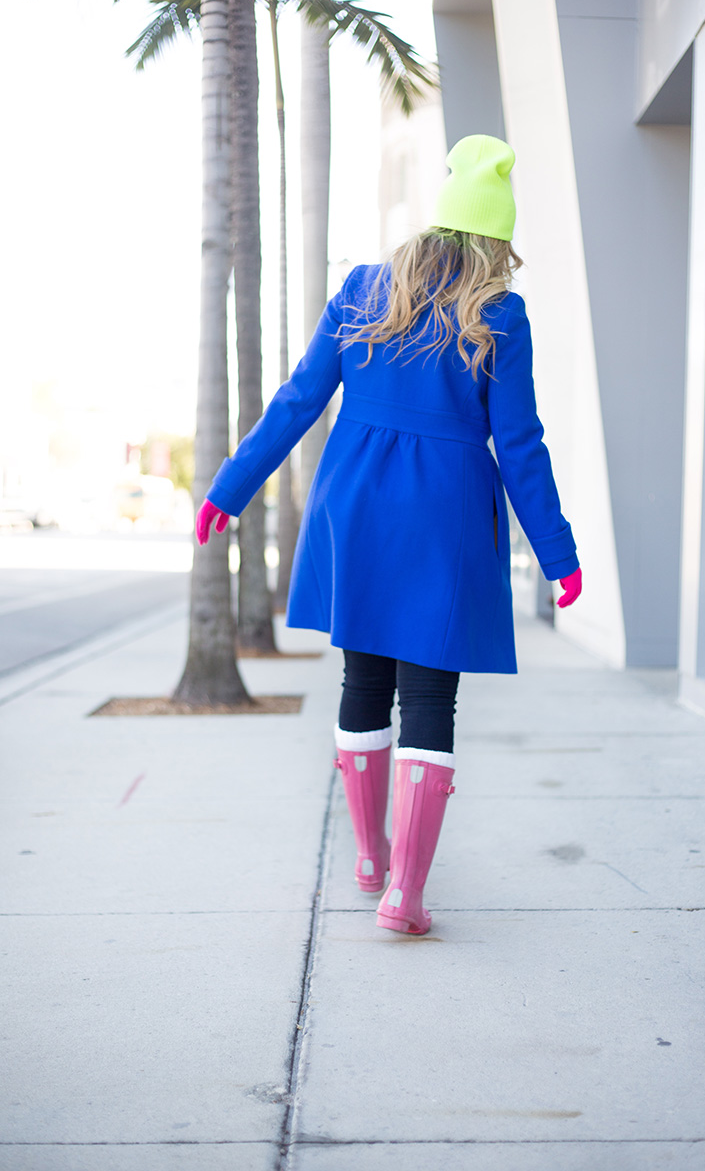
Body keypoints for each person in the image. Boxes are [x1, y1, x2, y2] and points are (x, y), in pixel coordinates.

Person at [196, 134, 581, 937]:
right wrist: (558, 552)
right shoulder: (500, 315)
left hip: (358, 505)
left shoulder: (363, 290)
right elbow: (520, 445)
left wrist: (230, 488)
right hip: (445, 517)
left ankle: (371, 857)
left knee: (363, 680)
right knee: (430, 696)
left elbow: (299, 400)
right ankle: (403, 893)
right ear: (495, 242)